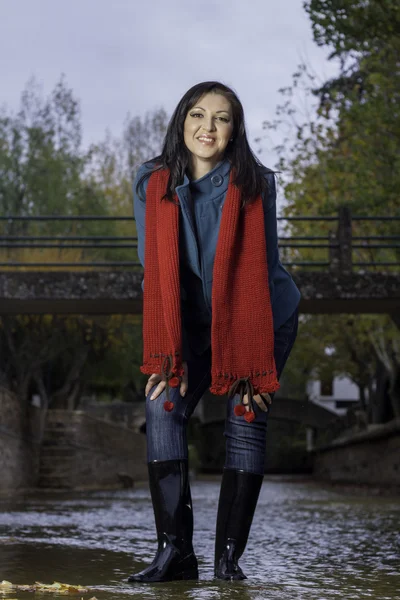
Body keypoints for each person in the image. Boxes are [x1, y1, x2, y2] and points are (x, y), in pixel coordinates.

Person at [128, 81, 300, 583]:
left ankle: (228, 562)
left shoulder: (256, 184)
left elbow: (264, 273)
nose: (208, 127)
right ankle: (175, 554)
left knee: (247, 412)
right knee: (162, 403)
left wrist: (253, 359)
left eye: (222, 118)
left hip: (258, 318)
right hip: (190, 322)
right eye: (198, 115)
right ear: (182, 121)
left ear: (234, 129)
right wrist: (169, 352)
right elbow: (151, 268)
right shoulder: (149, 181)